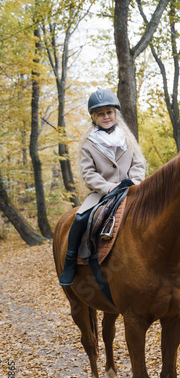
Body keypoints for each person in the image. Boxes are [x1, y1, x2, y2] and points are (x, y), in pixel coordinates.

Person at [59, 88, 146, 286]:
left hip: (132, 189)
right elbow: (88, 174)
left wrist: (134, 182)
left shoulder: (127, 137)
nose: (106, 117)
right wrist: (108, 187)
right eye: (101, 113)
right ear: (94, 117)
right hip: (102, 193)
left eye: (109, 112)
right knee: (80, 218)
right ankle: (70, 262)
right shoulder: (89, 143)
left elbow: (138, 164)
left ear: (115, 113)